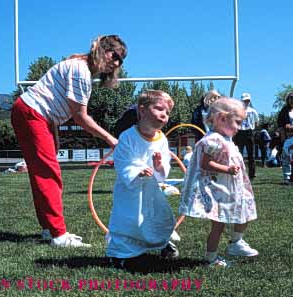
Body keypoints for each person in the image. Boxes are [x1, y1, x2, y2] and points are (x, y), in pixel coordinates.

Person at [11, 35, 127, 247]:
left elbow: (55, 107)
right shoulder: (80, 71)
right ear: (102, 49)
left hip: (37, 115)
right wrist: (112, 139)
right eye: (116, 55)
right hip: (33, 114)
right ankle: (59, 235)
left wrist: (53, 136)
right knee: (48, 174)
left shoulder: (80, 68)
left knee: (43, 172)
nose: (117, 63)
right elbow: (80, 118)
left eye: (122, 60)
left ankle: (49, 229)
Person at [179, 97, 258, 267]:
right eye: (237, 122)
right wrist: (227, 169)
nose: (240, 127)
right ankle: (211, 257)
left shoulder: (226, 139)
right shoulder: (213, 139)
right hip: (218, 188)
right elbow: (205, 163)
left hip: (232, 186)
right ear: (222, 118)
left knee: (246, 209)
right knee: (218, 224)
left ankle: (236, 242)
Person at [106, 90, 178, 269]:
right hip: (129, 191)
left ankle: (162, 244)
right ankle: (119, 253)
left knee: (155, 217)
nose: (164, 114)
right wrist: (137, 170)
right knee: (129, 220)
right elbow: (122, 161)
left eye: (167, 112)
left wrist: (159, 166)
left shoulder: (162, 140)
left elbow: (163, 172)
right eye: (159, 108)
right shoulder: (127, 137)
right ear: (142, 110)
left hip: (152, 191)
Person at [276, 93, 293, 183]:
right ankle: (287, 177)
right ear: (288, 100)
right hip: (288, 136)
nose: (292, 100)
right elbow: (280, 125)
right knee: (286, 157)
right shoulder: (284, 110)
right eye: (291, 98)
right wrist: (283, 137)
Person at [233, 92, 259, 179]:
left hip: (249, 132)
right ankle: (239, 171)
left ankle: (252, 173)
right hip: (240, 132)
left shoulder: (253, 111)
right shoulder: (237, 110)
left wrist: (252, 130)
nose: (246, 102)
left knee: (251, 154)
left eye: (247, 100)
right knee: (238, 153)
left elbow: (256, 122)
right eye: (244, 101)